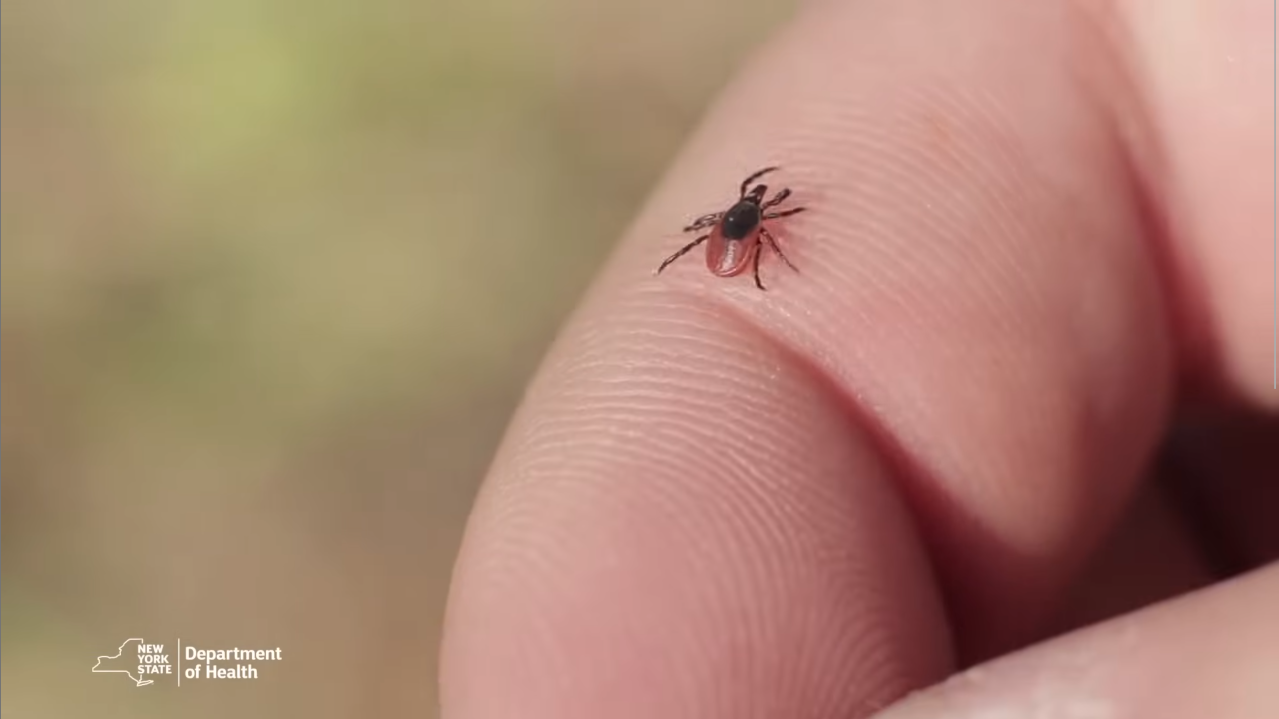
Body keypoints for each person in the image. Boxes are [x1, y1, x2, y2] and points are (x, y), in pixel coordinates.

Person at [439, 0, 1277, 716]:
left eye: (750, 210)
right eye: (751, 207)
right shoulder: (749, 230)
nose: (749, 215)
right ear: (744, 214)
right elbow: (745, 237)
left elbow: (721, 238)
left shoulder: (730, 228)